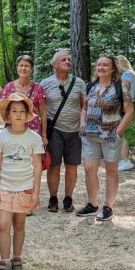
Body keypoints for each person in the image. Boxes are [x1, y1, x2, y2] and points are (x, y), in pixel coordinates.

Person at [0, 94, 44, 270]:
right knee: (4, 224)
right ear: (8, 115)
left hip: (25, 187)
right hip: (4, 186)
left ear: (28, 114)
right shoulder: (1, 136)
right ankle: (4, 262)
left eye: (22, 111)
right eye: (14, 111)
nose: (18, 115)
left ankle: (17, 260)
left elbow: (37, 166)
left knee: (19, 224)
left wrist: (36, 192)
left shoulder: (34, 138)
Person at [77, 55, 135, 221]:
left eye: (105, 65)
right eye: (99, 64)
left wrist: (119, 133)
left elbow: (129, 112)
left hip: (111, 136)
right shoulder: (91, 86)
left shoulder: (120, 88)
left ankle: (108, 206)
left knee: (111, 171)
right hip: (90, 135)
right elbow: (84, 108)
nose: (101, 67)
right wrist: (82, 123)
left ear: (112, 69)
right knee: (89, 169)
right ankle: (92, 204)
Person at [40, 49, 87, 213]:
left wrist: (82, 123)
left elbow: (84, 106)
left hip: (74, 132)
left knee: (72, 166)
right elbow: (40, 108)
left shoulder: (79, 83)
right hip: (55, 131)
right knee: (54, 166)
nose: (68, 62)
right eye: (63, 60)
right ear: (54, 65)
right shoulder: (45, 84)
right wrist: (43, 134)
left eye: (69, 60)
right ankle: (53, 198)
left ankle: (68, 198)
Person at [0, 55, 49, 146]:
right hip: (14, 129)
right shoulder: (9, 87)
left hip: (33, 130)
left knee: (34, 158)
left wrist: (44, 136)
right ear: (17, 68)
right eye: (21, 65)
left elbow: (43, 113)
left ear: (31, 69)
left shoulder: (38, 88)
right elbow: (4, 110)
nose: (23, 68)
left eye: (27, 66)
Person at [115, 56, 135, 172]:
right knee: (121, 133)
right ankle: (123, 159)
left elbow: (124, 92)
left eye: (116, 65)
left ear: (121, 64)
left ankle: (125, 160)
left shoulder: (126, 75)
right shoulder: (132, 74)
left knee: (120, 133)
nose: (115, 68)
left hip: (124, 106)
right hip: (129, 105)